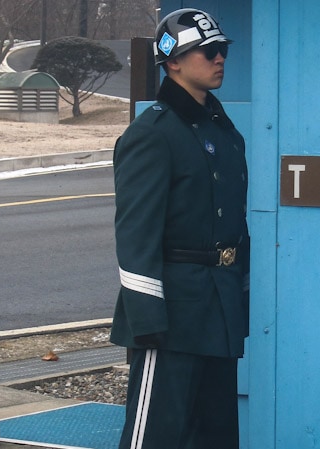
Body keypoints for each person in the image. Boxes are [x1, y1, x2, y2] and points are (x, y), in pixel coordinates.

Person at [109, 8, 250, 449]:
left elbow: (233, 224)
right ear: (172, 61)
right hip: (170, 315)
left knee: (216, 436)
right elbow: (136, 235)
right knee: (156, 437)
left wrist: (240, 294)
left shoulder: (223, 131)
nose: (219, 59)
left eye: (222, 50)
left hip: (217, 307)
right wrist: (148, 319)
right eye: (207, 52)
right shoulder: (153, 134)